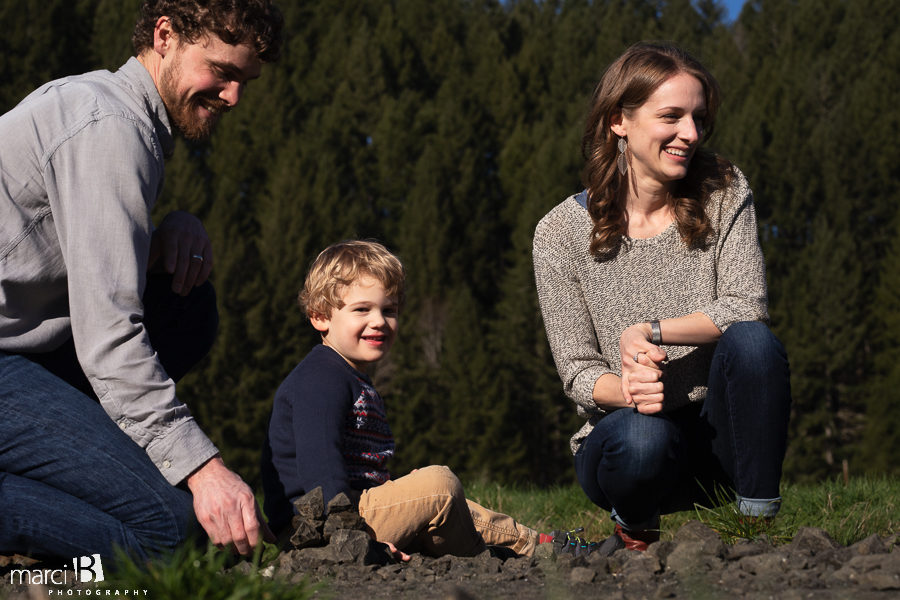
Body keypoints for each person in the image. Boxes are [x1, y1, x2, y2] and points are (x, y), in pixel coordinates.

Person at [0, 0, 283, 562]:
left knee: (188, 306)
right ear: (165, 35)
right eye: (223, 72)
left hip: (23, 352)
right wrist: (204, 470)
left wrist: (163, 236)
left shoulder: (121, 114)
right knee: (169, 535)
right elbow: (109, 338)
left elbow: (72, 256)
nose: (233, 98)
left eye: (245, 81)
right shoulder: (110, 127)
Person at [532, 42, 792, 555]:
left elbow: (746, 305)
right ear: (618, 121)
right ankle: (635, 533)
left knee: (755, 344)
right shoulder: (559, 232)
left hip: (718, 438)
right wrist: (627, 389)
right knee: (641, 438)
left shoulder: (724, 188)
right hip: (627, 442)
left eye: (697, 118)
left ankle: (758, 537)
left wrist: (648, 329)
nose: (690, 135)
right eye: (671, 116)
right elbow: (578, 371)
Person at [262, 240, 586, 559]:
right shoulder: (320, 377)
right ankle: (486, 558)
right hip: (317, 530)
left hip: (356, 514)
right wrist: (347, 537)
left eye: (389, 310)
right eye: (362, 309)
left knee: (455, 501)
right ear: (320, 317)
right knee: (438, 485)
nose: (379, 321)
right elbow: (320, 465)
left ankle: (539, 546)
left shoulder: (351, 376)